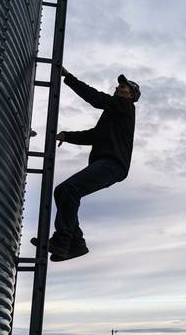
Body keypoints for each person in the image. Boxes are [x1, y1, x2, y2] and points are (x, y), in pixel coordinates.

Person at [33, 68, 140, 261]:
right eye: (119, 85)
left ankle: (63, 240)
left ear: (131, 95)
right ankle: (76, 244)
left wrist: (69, 78)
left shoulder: (125, 107)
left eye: (124, 86)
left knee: (69, 189)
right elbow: (94, 135)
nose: (119, 87)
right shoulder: (113, 113)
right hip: (106, 163)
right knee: (62, 191)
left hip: (113, 164)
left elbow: (96, 98)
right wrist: (67, 136)